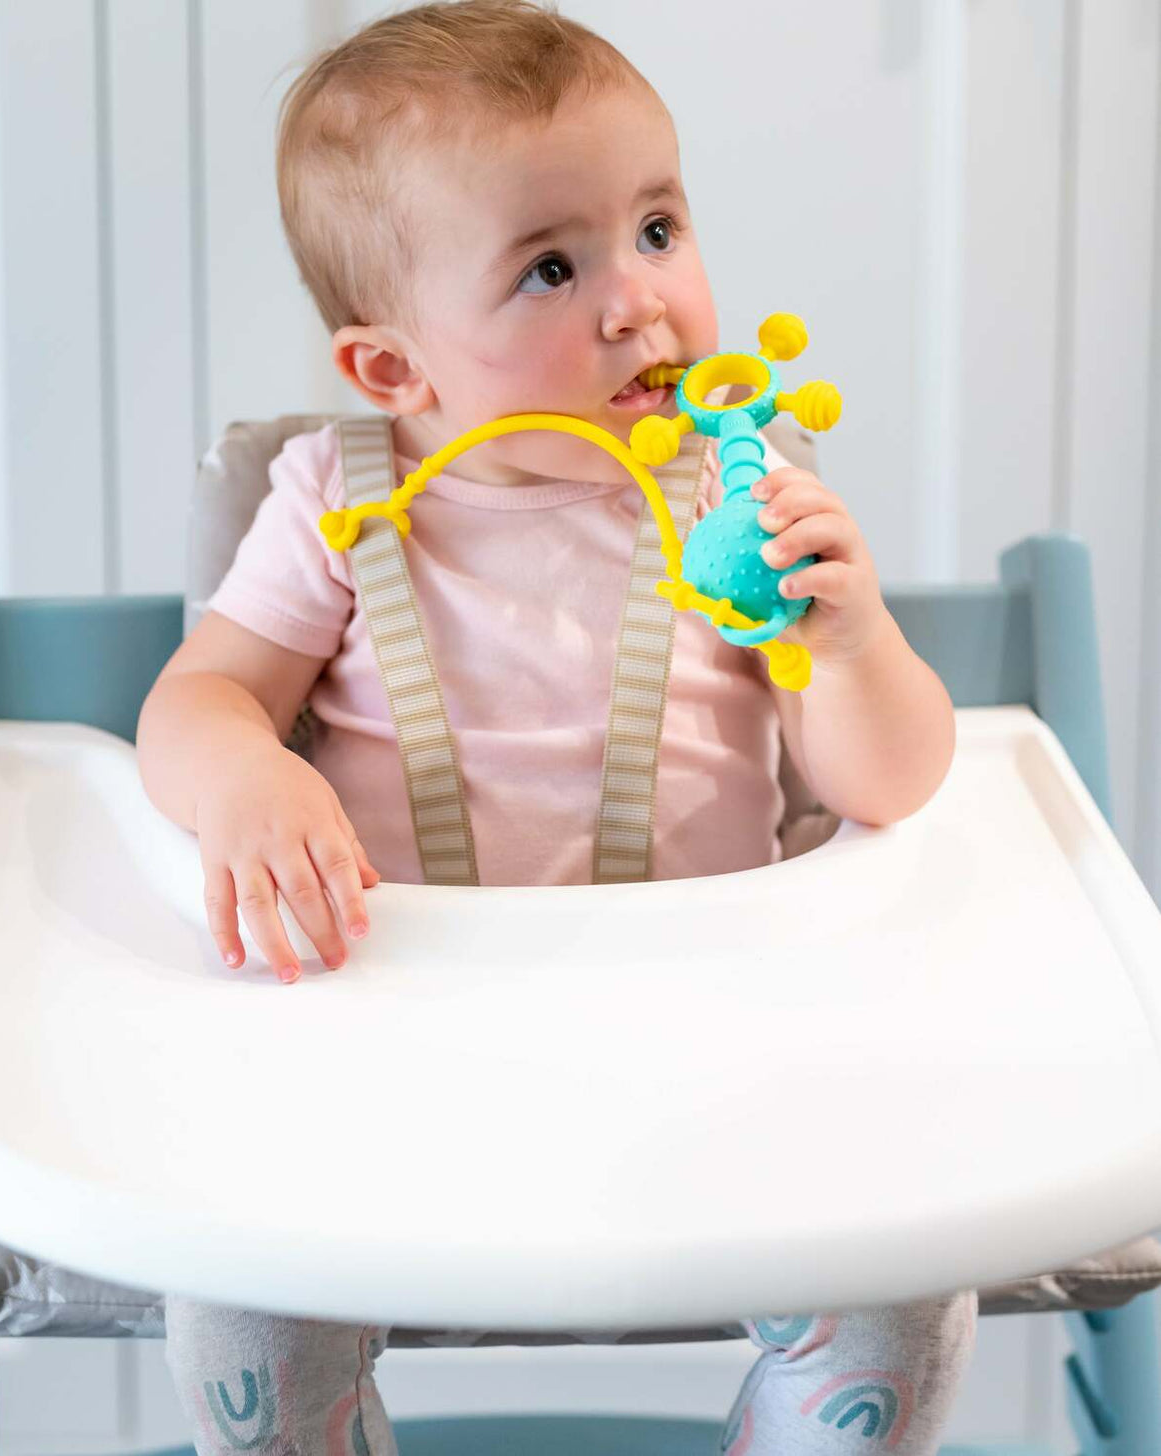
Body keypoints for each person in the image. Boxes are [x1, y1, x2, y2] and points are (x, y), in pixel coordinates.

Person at [135, 3, 972, 1451]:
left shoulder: (737, 490)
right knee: (233, 1295)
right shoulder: (338, 501)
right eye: (548, 267)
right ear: (393, 372)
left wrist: (849, 637)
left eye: (656, 228)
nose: (636, 300)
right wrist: (239, 779)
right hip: (389, 1054)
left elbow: (887, 786)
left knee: (905, 1286)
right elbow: (196, 699)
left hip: (716, 1043)